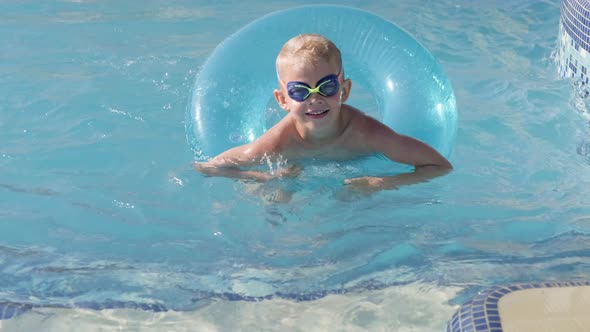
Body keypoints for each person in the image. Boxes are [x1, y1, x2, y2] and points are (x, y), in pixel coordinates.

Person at [194, 33, 452, 193]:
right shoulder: (278, 143)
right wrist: (264, 177)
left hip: (351, 192)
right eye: (300, 91)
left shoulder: (365, 134)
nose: (315, 99)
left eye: (326, 87)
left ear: (345, 90)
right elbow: (209, 168)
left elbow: (440, 166)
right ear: (282, 99)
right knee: (277, 197)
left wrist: (381, 183)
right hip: (295, 183)